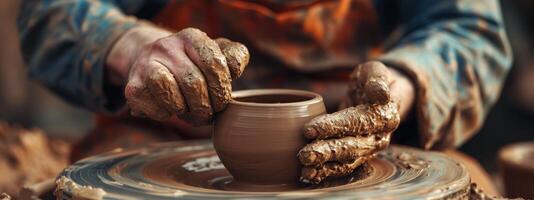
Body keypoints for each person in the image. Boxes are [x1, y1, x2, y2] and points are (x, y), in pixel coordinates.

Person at [17, 0, 511, 194]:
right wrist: (132, 48)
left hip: (358, 133)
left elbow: (468, 27)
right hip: (165, 126)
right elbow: (50, 10)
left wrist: (399, 89)